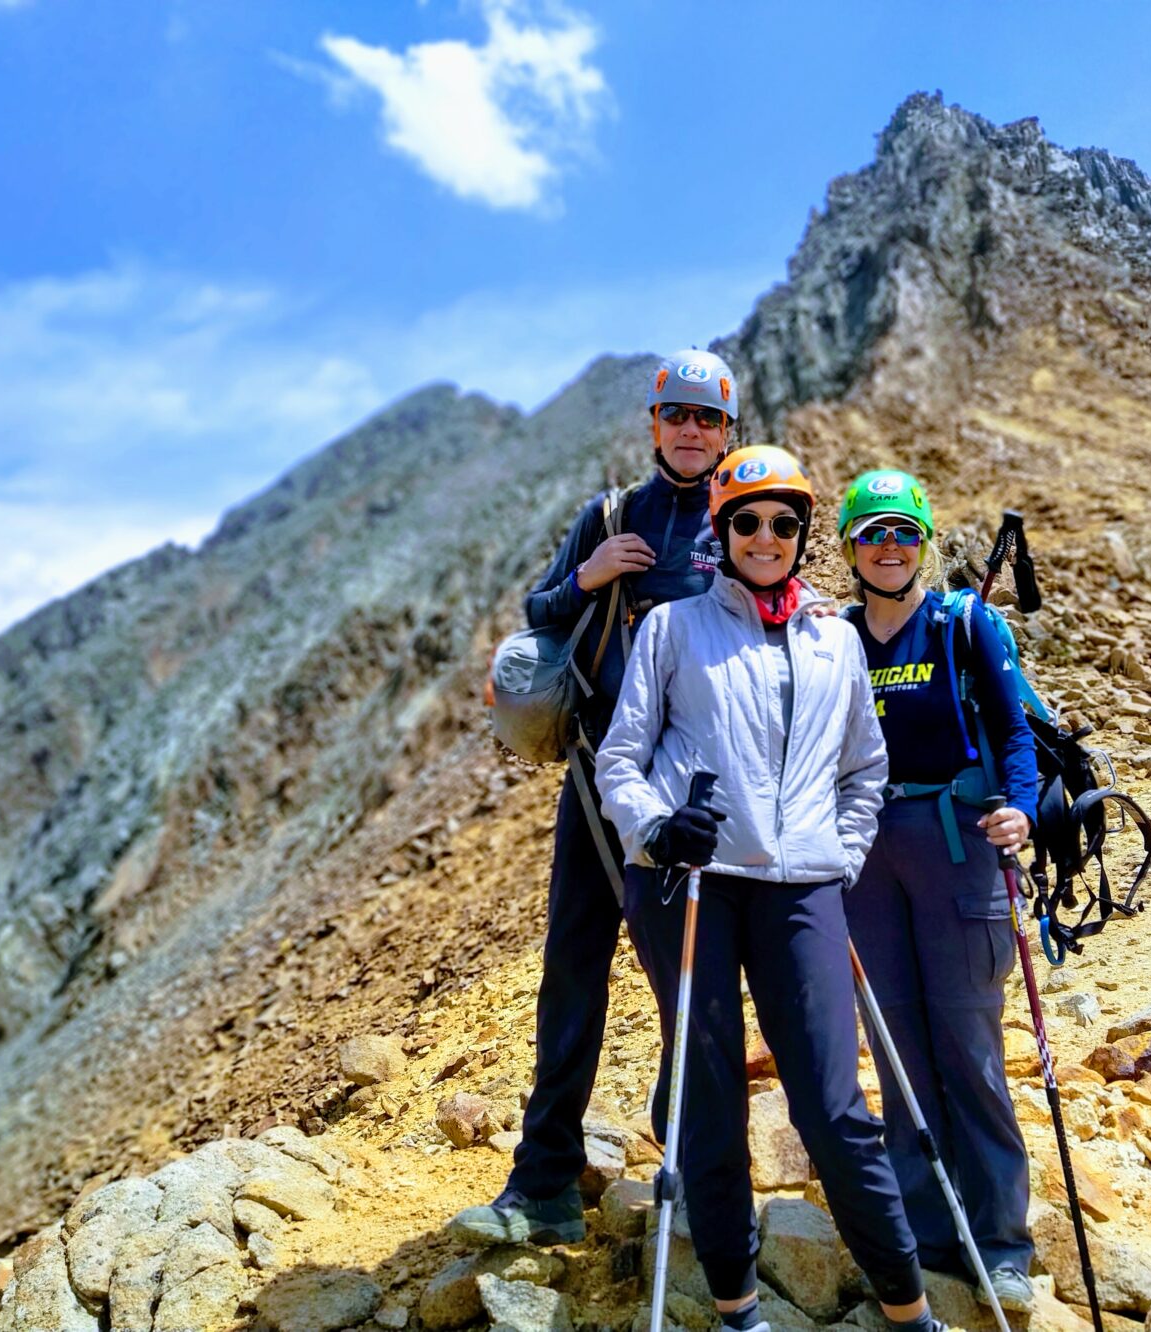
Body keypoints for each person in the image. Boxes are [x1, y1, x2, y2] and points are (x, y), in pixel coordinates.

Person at [597, 446, 945, 1332]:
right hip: (692, 883)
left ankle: (908, 1311)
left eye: (783, 522)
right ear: (723, 531)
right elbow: (620, 760)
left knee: (833, 1106)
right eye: (746, 520)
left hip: (801, 890)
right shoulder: (672, 630)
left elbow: (866, 770)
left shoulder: (835, 640)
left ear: (801, 536)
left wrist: (843, 855)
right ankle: (737, 1307)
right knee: (711, 1100)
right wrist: (655, 828)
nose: (765, 536)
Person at [448, 350, 739, 1247]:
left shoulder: (741, 518)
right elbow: (539, 612)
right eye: (676, 416)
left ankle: (696, 1175)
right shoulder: (609, 516)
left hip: (679, 792)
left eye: (707, 418)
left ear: (727, 430)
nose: (690, 431)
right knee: (571, 972)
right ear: (653, 425)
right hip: (591, 780)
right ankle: (543, 1185)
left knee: (683, 980)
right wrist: (592, 573)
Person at [834, 469, 1042, 1314]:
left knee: (969, 1048)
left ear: (924, 541)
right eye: (873, 533)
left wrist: (1022, 813)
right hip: (866, 856)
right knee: (899, 1055)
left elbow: (1013, 730)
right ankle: (923, 1233)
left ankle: (1000, 1244)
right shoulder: (835, 637)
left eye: (904, 533)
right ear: (849, 547)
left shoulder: (964, 623)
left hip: (958, 844)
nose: (890, 547)